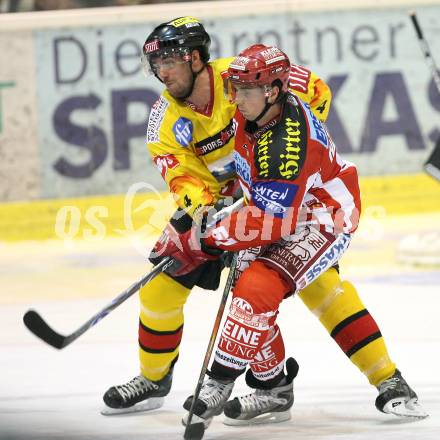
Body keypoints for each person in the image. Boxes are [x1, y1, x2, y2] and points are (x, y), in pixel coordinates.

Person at [101, 17, 424, 423]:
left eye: (170, 61)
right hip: (230, 203)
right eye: (157, 64)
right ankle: (156, 380)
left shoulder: (246, 72)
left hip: (296, 202)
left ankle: (387, 378)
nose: (162, 73)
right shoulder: (163, 120)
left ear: (196, 58)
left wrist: (286, 166)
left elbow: (317, 93)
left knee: (320, 289)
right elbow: (181, 176)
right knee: (164, 288)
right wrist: (207, 209)